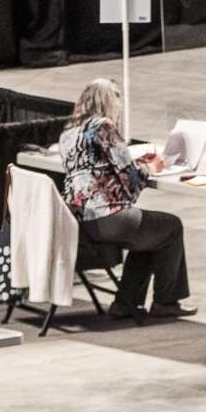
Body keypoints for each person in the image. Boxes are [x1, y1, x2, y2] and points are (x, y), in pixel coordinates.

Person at [57, 76, 190, 317]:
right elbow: (129, 180)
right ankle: (166, 302)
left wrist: (133, 164)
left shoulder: (68, 135)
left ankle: (125, 303)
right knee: (171, 227)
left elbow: (99, 168)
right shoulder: (104, 127)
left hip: (80, 222)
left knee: (150, 232)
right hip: (108, 218)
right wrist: (152, 168)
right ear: (108, 103)